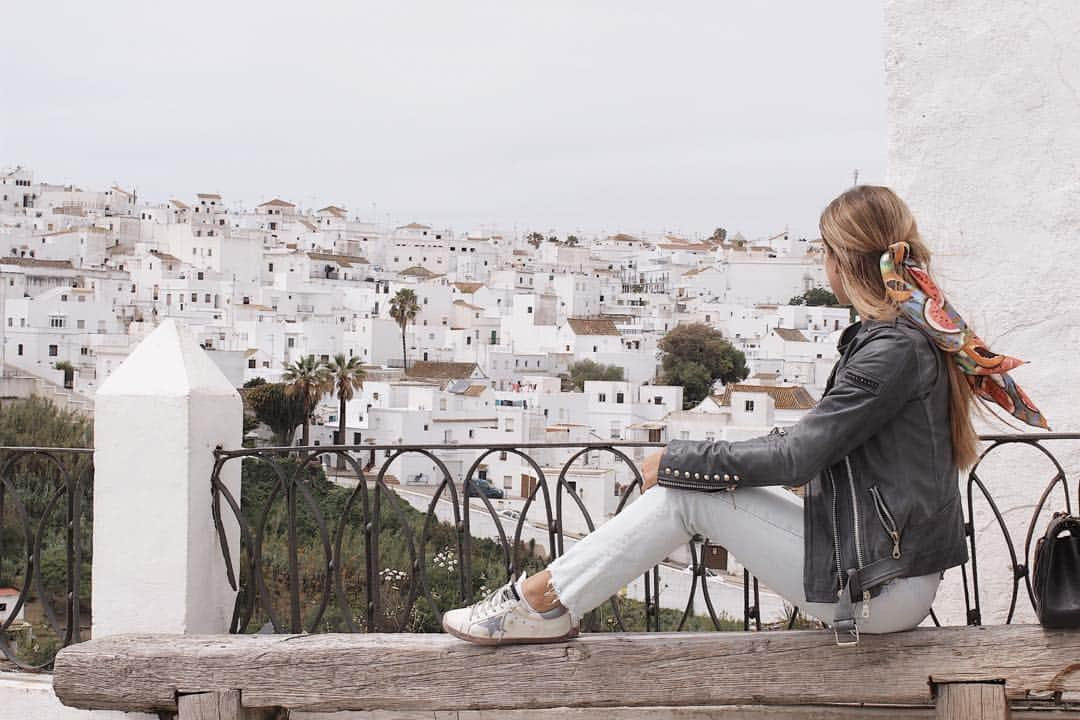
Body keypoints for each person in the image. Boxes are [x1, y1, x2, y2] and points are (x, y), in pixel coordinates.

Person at [442, 185, 1049, 647]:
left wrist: (675, 458)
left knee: (685, 494)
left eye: (824, 253)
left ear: (841, 261)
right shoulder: (907, 334)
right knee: (688, 491)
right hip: (885, 567)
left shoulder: (892, 347)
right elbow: (817, 444)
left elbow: (798, 454)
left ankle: (542, 603)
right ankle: (542, 601)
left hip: (881, 588)